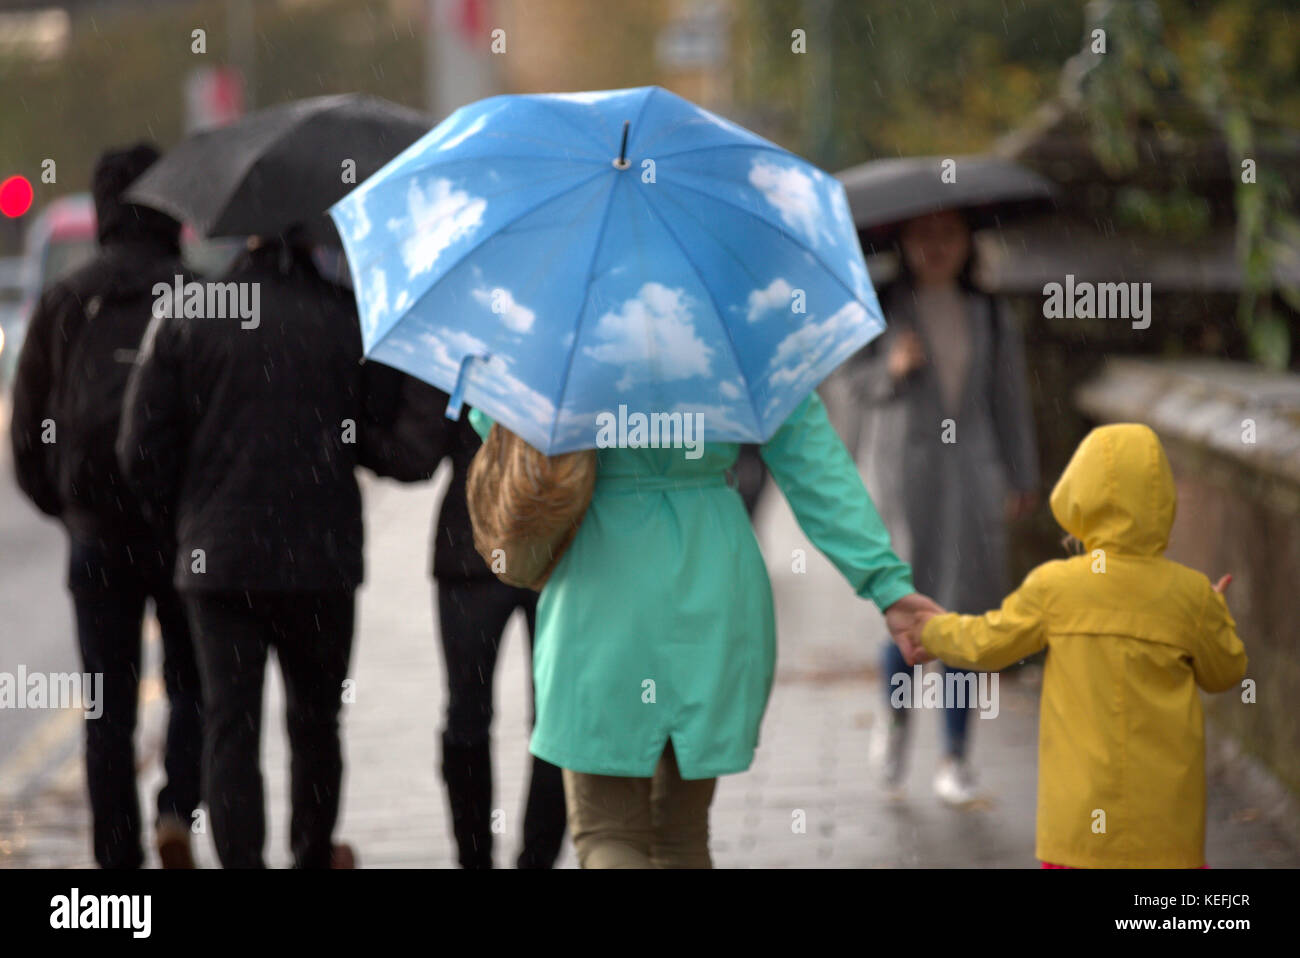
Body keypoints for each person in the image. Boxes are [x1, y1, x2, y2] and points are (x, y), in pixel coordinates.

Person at [469, 392, 940, 868]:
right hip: (713, 572)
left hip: (602, 578)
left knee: (607, 832)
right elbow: (811, 459)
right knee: (683, 835)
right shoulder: (739, 325)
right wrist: (886, 585)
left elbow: (493, 419)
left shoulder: (571, 328)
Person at [117, 227, 398, 868]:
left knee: (230, 726)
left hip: (220, 563)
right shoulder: (346, 316)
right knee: (316, 725)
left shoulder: (194, 314)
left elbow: (139, 451)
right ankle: (310, 853)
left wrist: (183, 521)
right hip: (320, 560)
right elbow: (384, 438)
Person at [908, 423, 1247, 867]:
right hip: (1167, 832)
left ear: (1079, 498)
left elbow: (985, 644)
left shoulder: (1056, 587)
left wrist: (931, 631)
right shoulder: (1191, 596)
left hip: (1079, 827)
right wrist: (1216, 611)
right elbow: (1225, 673)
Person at [10, 143, 203, 869]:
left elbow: (28, 434)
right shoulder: (195, 295)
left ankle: (117, 870)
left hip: (97, 540)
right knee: (196, 687)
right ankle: (178, 809)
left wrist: (70, 508)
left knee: (105, 711)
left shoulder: (66, 301)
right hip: (183, 532)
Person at [846, 208, 1039, 804]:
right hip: (909, 477)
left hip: (973, 476)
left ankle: (955, 757)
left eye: (948, 234)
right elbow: (855, 383)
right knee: (907, 608)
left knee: (966, 619)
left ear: (966, 242)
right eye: (923, 234)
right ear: (902, 240)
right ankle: (896, 719)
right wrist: (892, 368)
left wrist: (1020, 475)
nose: (936, 246)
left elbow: (1009, 396)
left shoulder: (989, 313)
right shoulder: (880, 308)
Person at [383, 380, 567, 868]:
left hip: (472, 544)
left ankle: (473, 857)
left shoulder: (459, 341)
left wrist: (345, 432)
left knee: (467, 714)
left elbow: (415, 455)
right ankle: (538, 858)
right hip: (557, 542)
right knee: (556, 716)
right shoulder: (571, 327)